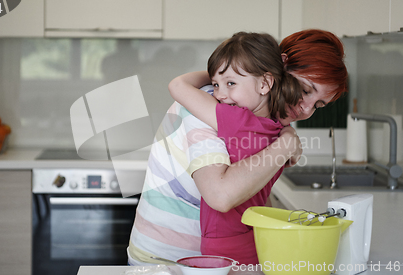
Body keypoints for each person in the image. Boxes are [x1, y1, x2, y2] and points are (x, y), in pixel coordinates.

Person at [127, 29, 348, 266]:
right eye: (305, 90)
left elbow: (254, 194)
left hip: (217, 261)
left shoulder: (265, 118)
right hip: (166, 261)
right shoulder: (210, 105)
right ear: (279, 67)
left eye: (318, 105)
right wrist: (286, 144)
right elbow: (220, 196)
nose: (306, 109)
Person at [167, 32, 301, 264]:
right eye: (216, 84)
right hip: (253, 232)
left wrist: (211, 74)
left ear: (265, 83)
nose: (218, 94)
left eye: (231, 83)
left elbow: (178, 85)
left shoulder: (236, 119)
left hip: (224, 241)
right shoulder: (279, 128)